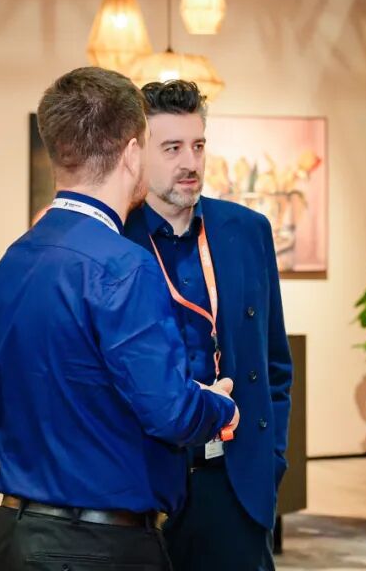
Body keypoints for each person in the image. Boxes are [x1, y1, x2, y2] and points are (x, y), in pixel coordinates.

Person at [0, 67, 239, 571]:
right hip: (97, 545)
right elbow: (169, 411)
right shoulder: (124, 265)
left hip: (14, 533)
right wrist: (219, 407)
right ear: (131, 153)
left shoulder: (14, 259)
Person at [124, 80, 293, 571]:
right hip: (147, 484)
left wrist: (270, 461)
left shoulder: (247, 232)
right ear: (137, 153)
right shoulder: (117, 239)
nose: (190, 162)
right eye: (172, 148)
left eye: (197, 146)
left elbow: (275, 363)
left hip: (235, 481)